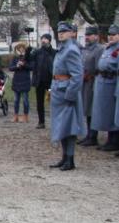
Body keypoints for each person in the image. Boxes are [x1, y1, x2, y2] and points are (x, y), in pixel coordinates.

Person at [48, 21, 86, 171]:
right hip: (58, 90)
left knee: (69, 127)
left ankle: (70, 159)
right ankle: (64, 157)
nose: (61, 33)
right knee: (62, 126)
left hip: (66, 93)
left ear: (72, 33)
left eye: (64, 31)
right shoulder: (62, 49)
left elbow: (77, 76)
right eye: (59, 31)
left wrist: (70, 95)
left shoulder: (71, 50)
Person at [91, 24, 119, 152]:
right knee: (105, 113)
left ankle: (114, 140)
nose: (111, 37)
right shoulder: (107, 48)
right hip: (102, 83)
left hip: (112, 83)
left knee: (112, 113)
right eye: (110, 35)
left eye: (114, 35)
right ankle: (109, 139)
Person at [79, 26, 104, 146]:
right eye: (86, 35)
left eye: (90, 35)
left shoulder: (99, 49)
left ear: (96, 36)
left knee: (92, 109)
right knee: (87, 108)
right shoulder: (85, 49)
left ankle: (93, 136)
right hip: (84, 83)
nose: (87, 37)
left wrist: (91, 75)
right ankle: (89, 134)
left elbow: (100, 67)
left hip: (93, 82)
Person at [30, 33, 56, 128]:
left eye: (45, 39)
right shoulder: (37, 52)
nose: (43, 40)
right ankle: (41, 122)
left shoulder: (54, 52)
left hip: (51, 80)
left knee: (54, 101)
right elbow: (30, 60)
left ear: (49, 40)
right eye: (42, 39)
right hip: (40, 80)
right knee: (39, 102)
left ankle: (55, 121)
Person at [8, 42, 33, 123]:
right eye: (19, 48)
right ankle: (16, 116)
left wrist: (24, 65)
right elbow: (11, 68)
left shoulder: (28, 57)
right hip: (16, 80)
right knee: (16, 100)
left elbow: (32, 67)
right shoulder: (15, 58)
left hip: (25, 80)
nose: (21, 49)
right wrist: (17, 66)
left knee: (25, 100)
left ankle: (26, 116)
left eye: (22, 48)